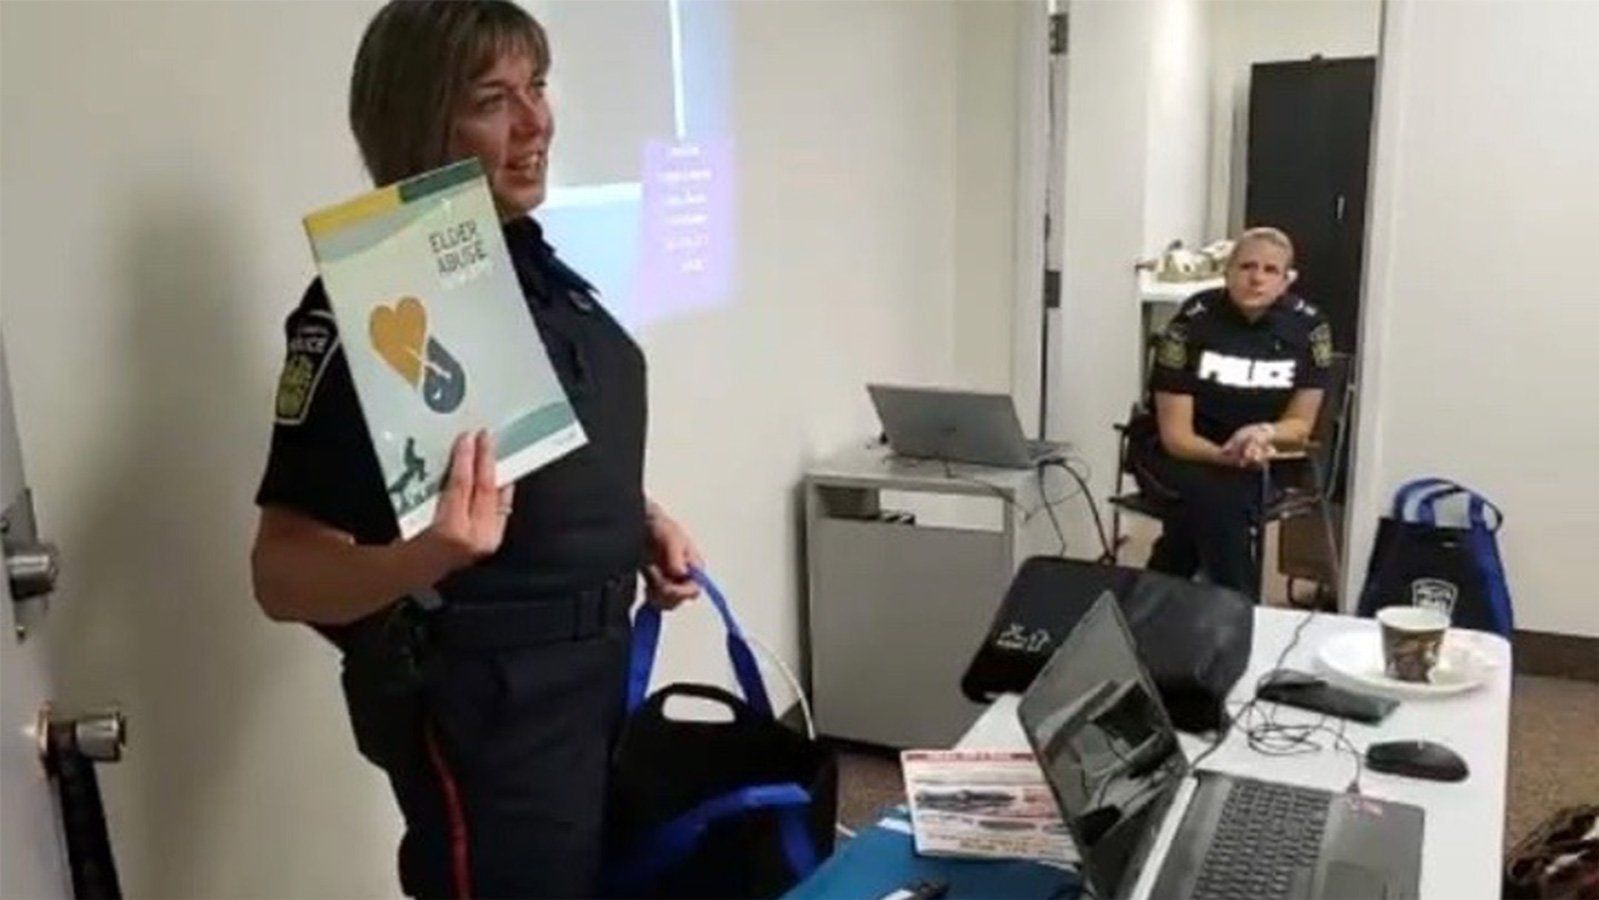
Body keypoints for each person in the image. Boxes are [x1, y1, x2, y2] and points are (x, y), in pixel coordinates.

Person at [249, 3, 703, 896]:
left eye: (537, 87)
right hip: (495, 711)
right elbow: (281, 572)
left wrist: (635, 520)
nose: (536, 123)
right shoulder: (375, 300)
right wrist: (425, 556)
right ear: (420, 121)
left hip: (596, 678)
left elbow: (535, 454)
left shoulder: (533, 270)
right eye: (494, 101)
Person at [1132, 227, 1332, 597]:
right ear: (1226, 272)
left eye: (1270, 270)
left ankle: (1151, 603)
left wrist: (1263, 434)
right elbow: (1176, 437)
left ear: (1287, 280)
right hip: (1182, 452)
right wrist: (1229, 455)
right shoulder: (1193, 320)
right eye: (1246, 267)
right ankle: (1242, 608)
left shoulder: (1309, 327)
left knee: (1196, 520)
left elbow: (1299, 426)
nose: (1257, 279)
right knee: (1220, 501)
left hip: (1263, 453)